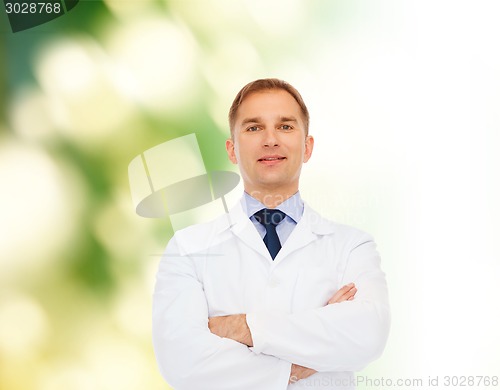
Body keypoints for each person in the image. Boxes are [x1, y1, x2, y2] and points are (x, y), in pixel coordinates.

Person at [152, 78, 390, 389]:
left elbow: (368, 333)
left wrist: (243, 326)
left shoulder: (351, 246)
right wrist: (306, 359)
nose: (270, 140)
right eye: (253, 128)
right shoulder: (189, 248)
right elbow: (181, 363)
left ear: (307, 147)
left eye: (286, 127)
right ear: (232, 150)